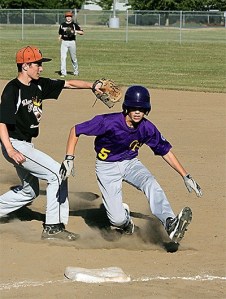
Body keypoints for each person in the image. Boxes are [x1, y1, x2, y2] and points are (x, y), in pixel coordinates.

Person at [59, 85, 203, 244]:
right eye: (133, 108)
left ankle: (170, 223)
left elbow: (165, 151)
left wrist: (185, 175)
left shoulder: (147, 128)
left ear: (146, 110)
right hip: (107, 168)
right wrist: (69, 158)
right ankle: (127, 223)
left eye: (141, 109)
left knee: (151, 183)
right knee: (117, 220)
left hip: (131, 164)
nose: (137, 112)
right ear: (126, 107)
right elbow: (76, 130)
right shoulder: (108, 122)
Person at [0, 45, 102, 241]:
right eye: (38, 64)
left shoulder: (39, 85)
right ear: (25, 66)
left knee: (30, 192)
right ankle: (53, 227)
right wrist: (10, 149)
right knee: (57, 173)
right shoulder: (13, 89)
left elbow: (69, 84)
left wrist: (93, 86)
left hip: (25, 145)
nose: (41, 68)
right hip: (14, 144)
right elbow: (1, 121)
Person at [58, 11, 84, 77]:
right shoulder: (62, 25)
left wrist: (75, 31)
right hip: (64, 42)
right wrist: (59, 38)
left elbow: (82, 32)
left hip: (72, 42)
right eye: (67, 16)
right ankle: (63, 73)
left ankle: (76, 71)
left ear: (71, 17)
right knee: (63, 58)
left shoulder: (74, 25)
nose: (68, 18)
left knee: (73, 58)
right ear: (65, 18)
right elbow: (60, 33)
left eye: (70, 16)